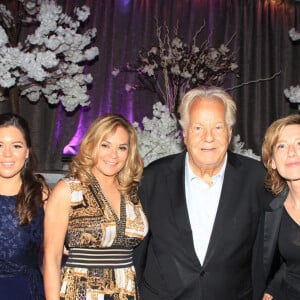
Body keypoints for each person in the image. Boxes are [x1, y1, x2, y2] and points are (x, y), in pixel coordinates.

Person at [134, 86, 271, 300]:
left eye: (217, 127)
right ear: (185, 134)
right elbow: (134, 246)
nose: (208, 137)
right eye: (198, 128)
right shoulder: (153, 177)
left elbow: (272, 247)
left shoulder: (256, 179)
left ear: (229, 133)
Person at [43, 113, 148, 300]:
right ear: (91, 145)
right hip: (81, 291)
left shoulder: (132, 193)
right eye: (105, 145)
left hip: (126, 291)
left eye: (121, 148)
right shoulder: (68, 189)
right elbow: (52, 257)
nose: (113, 155)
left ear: (129, 152)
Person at [0, 113, 49, 299]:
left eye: (16, 146)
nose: (7, 154)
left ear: (27, 151)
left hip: (25, 292)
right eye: (0, 145)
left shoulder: (41, 193)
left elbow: (55, 251)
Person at [260, 114, 300, 300]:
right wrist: (272, 289)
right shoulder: (274, 210)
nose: (291, 152)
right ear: (272, 162)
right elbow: (291, 264)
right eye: (281, 146)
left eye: (299, 143)